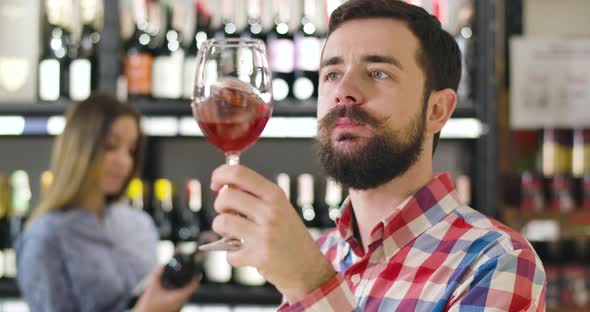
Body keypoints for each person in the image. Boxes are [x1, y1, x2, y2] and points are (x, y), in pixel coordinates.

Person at [207, 0, 546, 311]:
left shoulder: (495, 262)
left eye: (378, 73)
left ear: (437, 109)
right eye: (332, 74)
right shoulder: (323, 251)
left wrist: (312, 286)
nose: (343, 92)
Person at [15, 93, 198, 312]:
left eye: (131, 150)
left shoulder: (139, 224)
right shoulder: (44, 237)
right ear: (78, 149)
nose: (124, 161)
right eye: (110, 146)